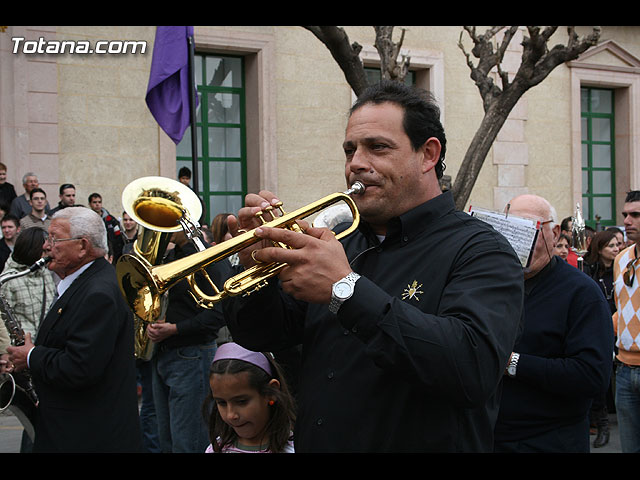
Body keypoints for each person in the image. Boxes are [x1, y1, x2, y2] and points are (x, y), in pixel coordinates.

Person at [223, 80, 524, 452]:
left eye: (377, 148)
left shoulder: (482, 249)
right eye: (350, 150)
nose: (356, 164)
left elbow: (471, 369)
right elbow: (261, 335)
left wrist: (346, 291)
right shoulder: (337, 243)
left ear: (428, 155)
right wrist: (255, 272)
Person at [6, 207, 142, 452]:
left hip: (87, 435)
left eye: (54, 238)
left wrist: (30, 356)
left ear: (82, 246)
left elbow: (79, 367)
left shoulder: (97, 293)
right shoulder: (88, 283)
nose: (46, 246)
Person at [493, 194, 614, 453]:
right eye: (510, 229)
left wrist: (511, 363)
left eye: (529, 229)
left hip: (551, 440)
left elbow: (593, 376)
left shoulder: (582, 293)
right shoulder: (492, 284)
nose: (519, 240)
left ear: (555, 232)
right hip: (490, 435)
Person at [148, 228, 232, 453]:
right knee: (166, 439)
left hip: (192, 354)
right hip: (164, 352)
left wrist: (175, 329)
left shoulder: (208, 257)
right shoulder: (171, 256)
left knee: (190, 441)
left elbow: (220, 312)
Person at [203, 342, 296, 453]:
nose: (231, 415)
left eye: (242, 402)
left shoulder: (298, 447)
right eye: (222, 403)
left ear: (271, 392)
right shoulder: (217, 448)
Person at [612, 190, 640, 453]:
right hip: (623, 369)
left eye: (636, 215)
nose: (627, 221)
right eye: (625, 215)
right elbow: (620, 309)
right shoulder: (621, 259)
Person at [0, 227, 56, 338]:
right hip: (19, 347)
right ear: (32, 250)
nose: (47, 256)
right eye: (44, 251)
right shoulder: (9, 280)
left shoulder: (44, 273)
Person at [88, 192, 125, 263]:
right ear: (90, 204)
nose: (97, 204)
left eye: (99, 202)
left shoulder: (110, 220)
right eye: (94, 202)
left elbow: (118, 237)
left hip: (112, 255)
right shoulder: (88, 220)